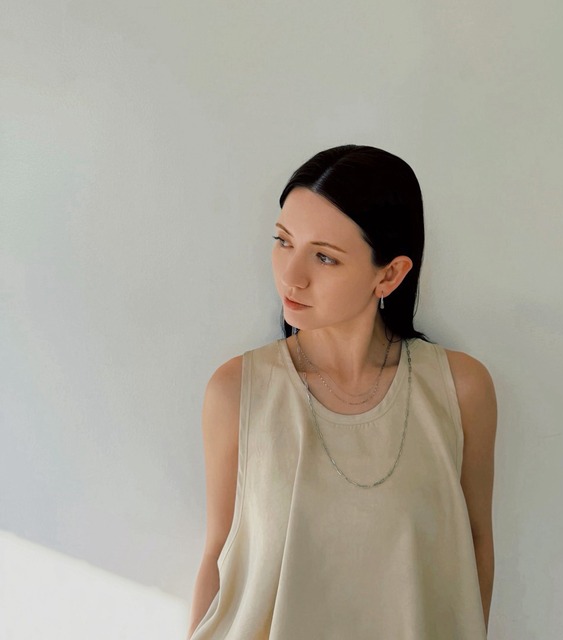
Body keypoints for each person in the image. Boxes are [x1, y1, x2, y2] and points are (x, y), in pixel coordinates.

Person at [187, 145, 497, 639]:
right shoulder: (237, 391)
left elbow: (476, 546)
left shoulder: (460, 389)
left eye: (324, 257)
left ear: (389, 274)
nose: (291, 276)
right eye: (283, 241)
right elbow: (219, 555)